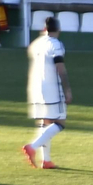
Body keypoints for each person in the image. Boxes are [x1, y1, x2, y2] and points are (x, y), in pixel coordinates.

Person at [22, 15, 70, 171]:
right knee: (60, 122)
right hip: (52, 87)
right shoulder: (55, 44)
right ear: (58, 29)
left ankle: (46, 160)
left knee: (45, 123)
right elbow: (60, 66)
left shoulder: (36, 43)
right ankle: (33, 146)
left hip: (36, 87)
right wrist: (67, 88)